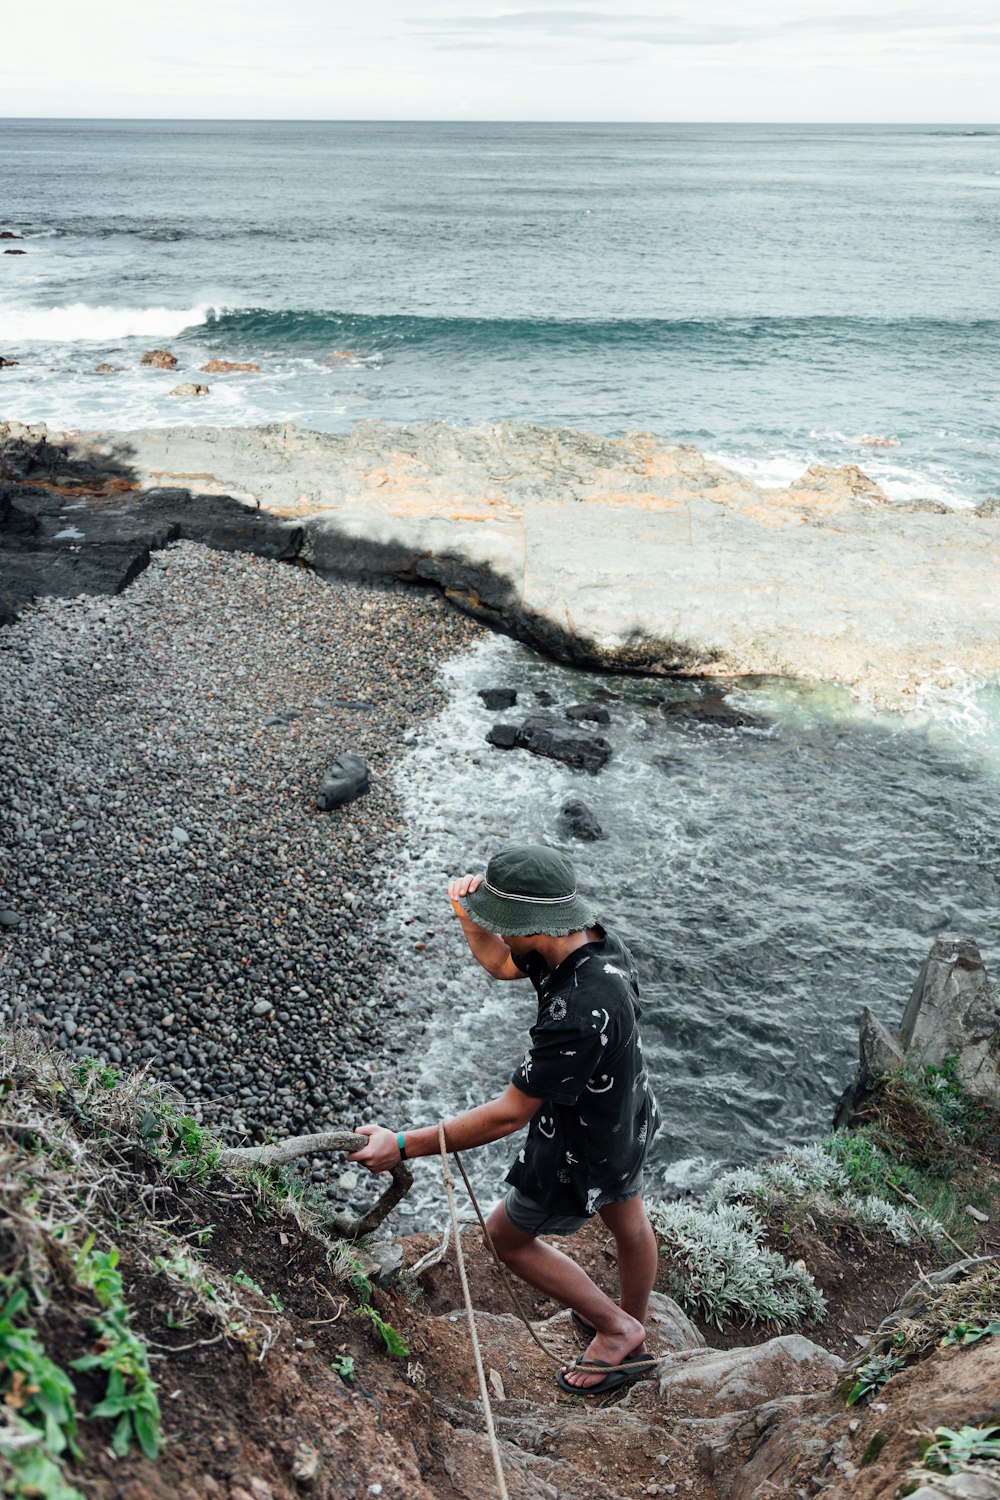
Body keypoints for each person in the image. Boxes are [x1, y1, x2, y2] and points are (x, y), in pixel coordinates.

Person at [349, 843, 661, 1393]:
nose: (503, 937)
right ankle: (630, 1328)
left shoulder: (578, 1011)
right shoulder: (593, 943)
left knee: (507, 1239)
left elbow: (507, 1116)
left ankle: (616, 1328)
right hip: (624, 1112)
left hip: (579, 1141)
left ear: (537, 925)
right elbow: (499, 961)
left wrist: (401, 1143)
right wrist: (472, 920)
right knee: (628, 1220)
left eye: (507, 925)